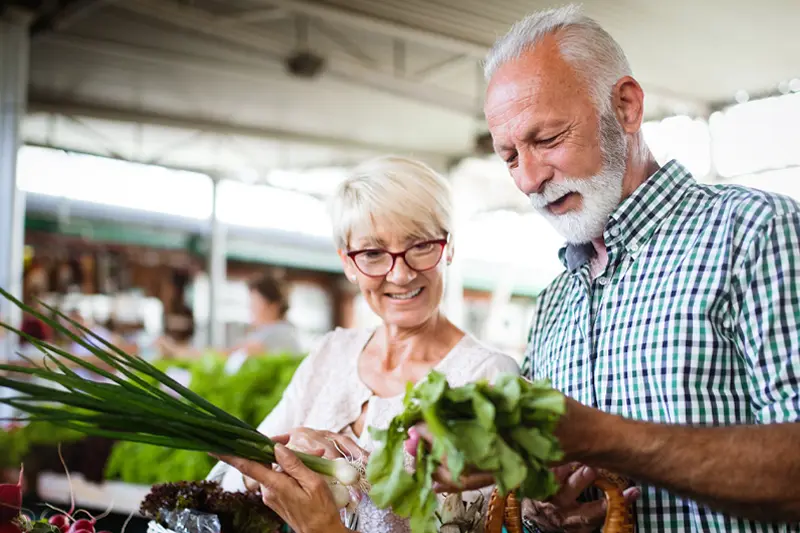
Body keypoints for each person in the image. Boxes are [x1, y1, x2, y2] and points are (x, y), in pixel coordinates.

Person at [416, 4, 800, 532]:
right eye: (509, 156)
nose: (528, 180)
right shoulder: (555, 302)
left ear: (626, 107)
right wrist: (543, 510)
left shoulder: (754, 232)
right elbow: (538, 494)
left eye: (546, 139)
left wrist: (602, 435)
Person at [208, 155, 521, 533]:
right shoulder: (331, 353)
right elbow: (226, 479)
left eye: (420, 245)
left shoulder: (487, 377)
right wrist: (282, 460)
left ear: (449, 247)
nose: (401, 274)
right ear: (348, 264)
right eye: (373, 254)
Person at [157, 273, 301, 360]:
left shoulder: (279, 334)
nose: (250, 309)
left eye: (255, 303)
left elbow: (227, 355)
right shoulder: (265, 332)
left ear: (273, 305)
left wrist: (176, 351)